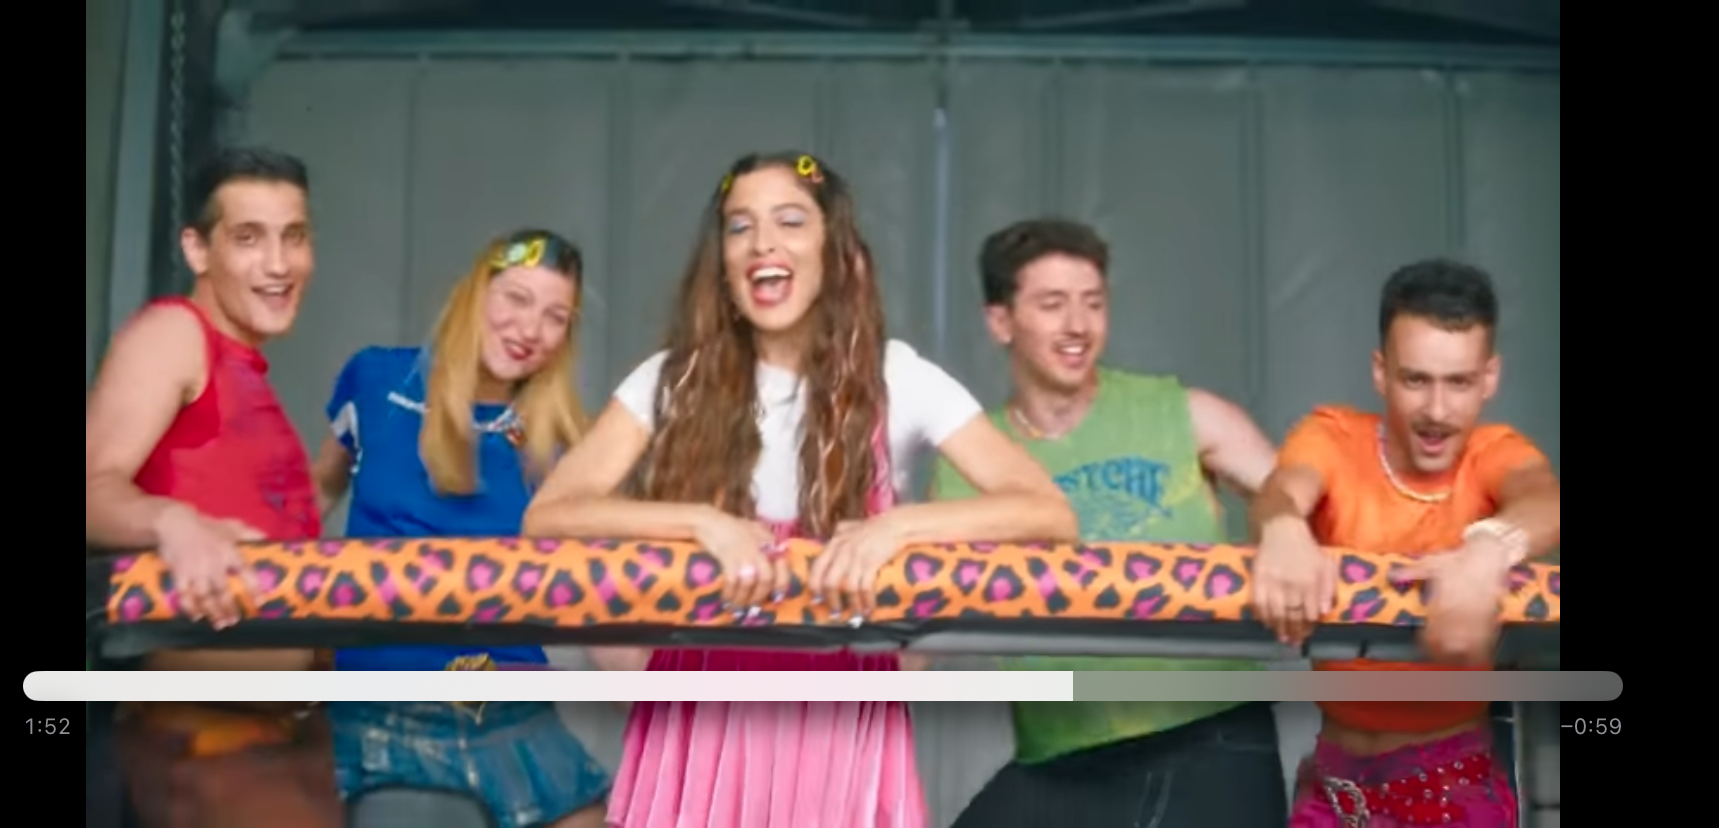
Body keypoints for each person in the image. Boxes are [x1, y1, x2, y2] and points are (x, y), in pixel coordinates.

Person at [523, 151, 1077, 828]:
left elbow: (1046, 512)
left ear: (833, 250)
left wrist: (897, 528)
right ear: (723, 263)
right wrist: (699, 523)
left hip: (839, 711)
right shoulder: (672, 377)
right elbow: (551, 514)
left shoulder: (896, 375)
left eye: (790, 221)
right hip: (702, 710)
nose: (763, 242)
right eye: (740, 226)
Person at [934, 218, 1289, 828]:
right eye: (1052, 304)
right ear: (1000, 321)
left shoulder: (1183, 413)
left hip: (1209, 734)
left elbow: (1296, 494)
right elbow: (926, 616)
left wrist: (1283, 528)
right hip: (1063, 756)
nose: (1078, 325)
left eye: (1093, 303)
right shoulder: (968, 460)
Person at [313, 228, 612, 828]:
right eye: (516, 298)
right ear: (476, 293)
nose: (530, 329)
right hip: (378, 696)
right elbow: (311, 498)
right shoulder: (376, 381)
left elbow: (600, 596)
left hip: (503, 704)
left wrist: (678, 697)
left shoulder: (561, 442)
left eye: (555, 316)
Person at [1249, 259, 1560, 828]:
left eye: (1459, 382)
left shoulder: (1495, 451)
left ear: (1489, 378)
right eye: (1416, 380)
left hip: (1455, 788)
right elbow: (1283, 489)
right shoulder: (1332, 437)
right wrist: (1282, 526)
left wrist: (1488, 549)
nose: (1437, 412)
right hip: (1334, 790)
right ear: (1381, 372)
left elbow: (1545, 499)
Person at [83, 147, 339, 827]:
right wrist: (171, 522)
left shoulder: (245, 375)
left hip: (282, 737)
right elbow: (92, 487)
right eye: (249, 238)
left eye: (294, 236)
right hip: (203, 736)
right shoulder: (176, 331)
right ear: (197, 249)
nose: (279, 264)